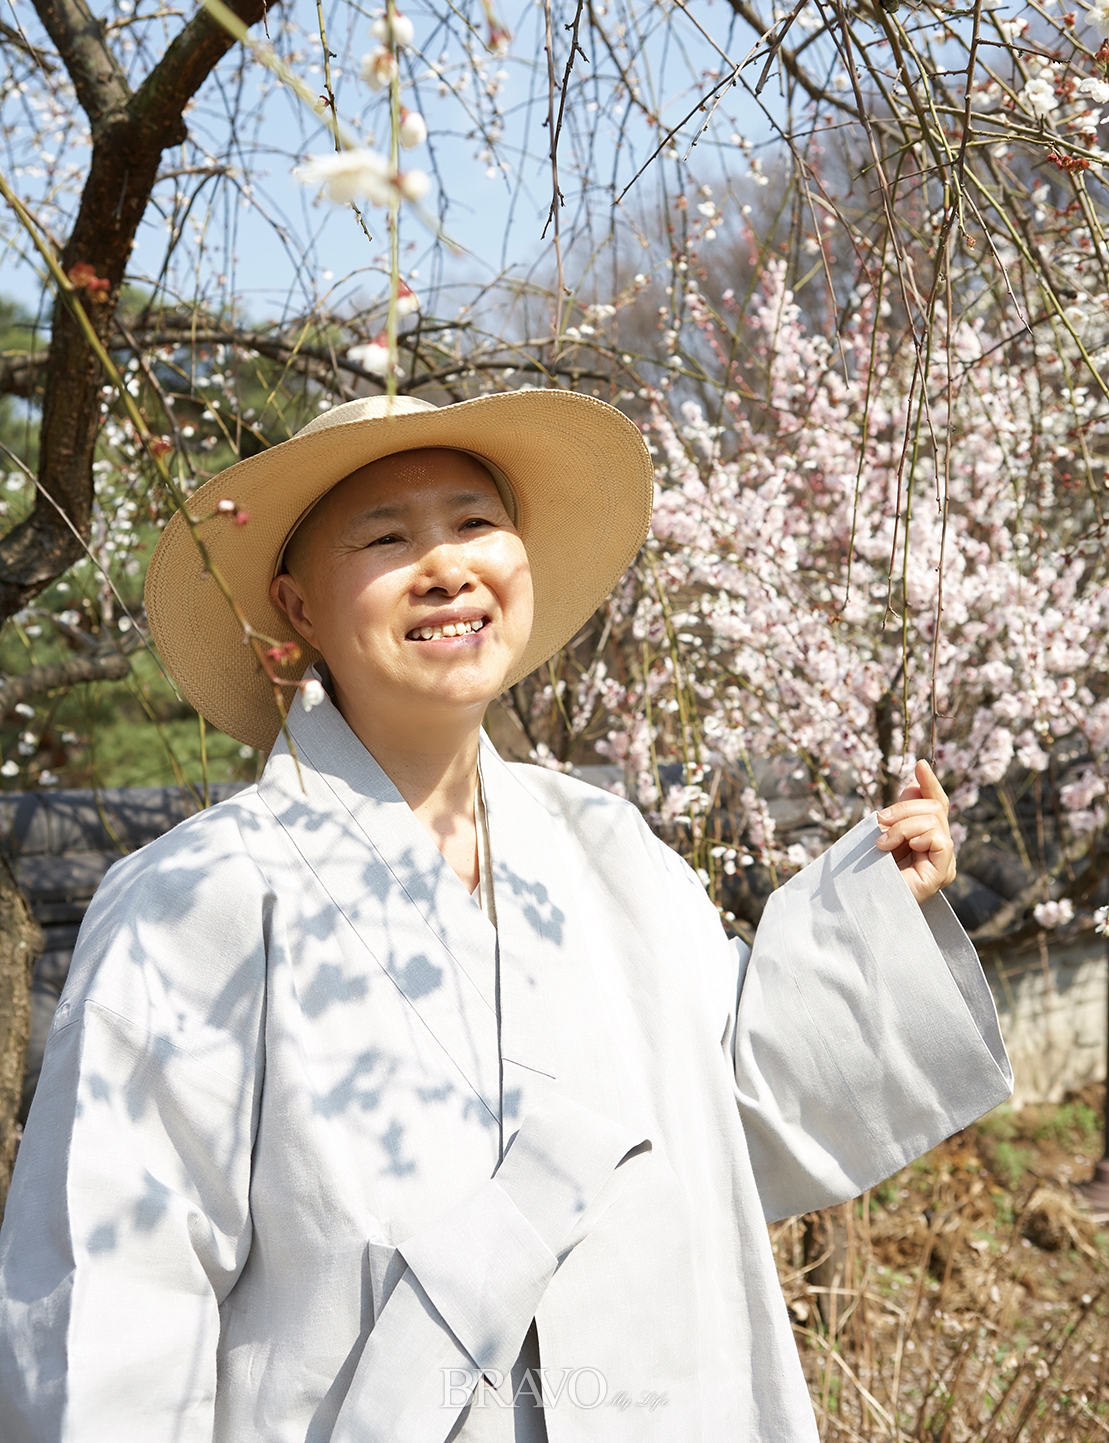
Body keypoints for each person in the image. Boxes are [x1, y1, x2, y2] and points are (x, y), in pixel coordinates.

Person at [0, 390, 1012, 1442]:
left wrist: (866, 916)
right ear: (297, 608)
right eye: (387, 538)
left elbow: (730, 1106)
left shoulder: (608, 848)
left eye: (475, 522)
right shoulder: (199, 895)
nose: (447, 567)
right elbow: (108, 1290)